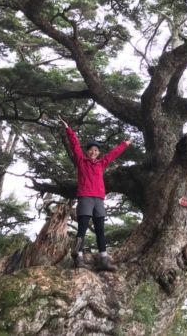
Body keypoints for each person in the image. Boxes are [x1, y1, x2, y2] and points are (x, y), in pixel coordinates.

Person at [58, 116, 132, 271]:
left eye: (96, 150)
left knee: (100, 229)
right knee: (82, 229)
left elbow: (113, 154)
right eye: (91, 150)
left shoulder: (101, 164)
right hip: (85, 197)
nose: (93, 152)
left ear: (98, 153)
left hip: (99, 199)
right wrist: (68, 129)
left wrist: (125, 144)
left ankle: (104, 259)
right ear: (87, 152)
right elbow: (75, 145)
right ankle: (77, 256)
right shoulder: (81, 161)